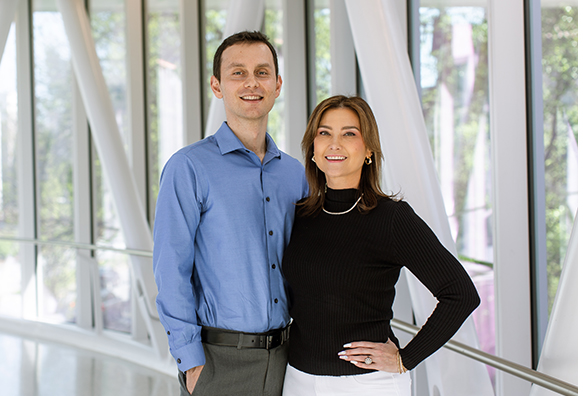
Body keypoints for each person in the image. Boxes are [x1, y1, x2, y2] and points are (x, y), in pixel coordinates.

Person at [281, 95, 480, 395]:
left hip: (367, 385)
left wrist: (406, 358)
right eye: (324, 133)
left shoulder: (391, 219)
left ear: (369, 151)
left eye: (349, 134)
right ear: (313, 149)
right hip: (297, 380)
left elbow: (461, 294)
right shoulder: (297, 216)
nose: (334, 144)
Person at [153, 31, 308, 396]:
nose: (252, 82)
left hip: (290, 359)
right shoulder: (188, 167)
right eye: (238, 73)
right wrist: (191, 363)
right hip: (218, 362)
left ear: (278, 84)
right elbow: (170, 268)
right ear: (217, 85)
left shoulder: (295, 174)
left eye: (262, 72)